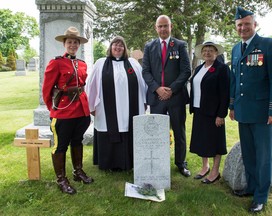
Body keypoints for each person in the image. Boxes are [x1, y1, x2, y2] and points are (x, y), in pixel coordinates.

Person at [229, 7, 272, 213]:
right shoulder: (236, 49)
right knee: (249, 154)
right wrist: (232, 106)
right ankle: (251, 187)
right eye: (239, 25)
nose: (242, 28)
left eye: (246, 24)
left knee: (263, 156)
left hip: (263, 114)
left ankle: (261, 196)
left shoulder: (269, 45)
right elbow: (235, 81)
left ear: (255, 24)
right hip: (243, 112)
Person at [42, 26, 94, 195]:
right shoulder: (56, 63)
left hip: (81, 110)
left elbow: (83, 86)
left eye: (75, 42)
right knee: (60, 146)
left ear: (79, 45)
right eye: (70, 42)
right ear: (64, 44)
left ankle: (78, 172)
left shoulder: (82, 64)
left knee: (77, 141)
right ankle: (61, 179)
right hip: (63, 112)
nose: (73, 45)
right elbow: (47, 90)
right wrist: (53, 110)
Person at [85, 36, 147, 171]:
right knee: (109, 127)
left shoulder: (133, 63)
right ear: (110, 47)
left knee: (128, 128)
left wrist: (144, 101)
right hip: (106, 109)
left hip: (131, 107)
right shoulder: (101, 63)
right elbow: (91, 85)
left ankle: (129, 162)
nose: (118, 48)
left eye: (121, 45)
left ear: (124, 49)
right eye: (115, 45)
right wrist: (92, 106)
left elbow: (143, 83)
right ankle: (110, 163)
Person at [142, 15, 191, 177]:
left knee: (179, 131)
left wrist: (171, 89)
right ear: (156, 28)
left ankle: (180, 163)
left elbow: (186, 71)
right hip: (156, 98)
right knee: (157, 133)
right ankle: (159, 161)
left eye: (165, 26)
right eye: (160, 26)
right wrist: (157, 89)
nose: (163, 29)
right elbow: (146, 71)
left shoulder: (180, 45)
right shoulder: (149, 47)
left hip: (175, 97)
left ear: (171, 26)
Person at [189, 42, 230, 184]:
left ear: (216, 52)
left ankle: (215, 171)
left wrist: (221, 114)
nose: (207, 52)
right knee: (202, 140)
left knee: (215, 142)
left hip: (214, 112)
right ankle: (205, 166)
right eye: (205, 50)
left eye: (210, 50)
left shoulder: (222, 69)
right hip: (199, 110)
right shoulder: (199, 68)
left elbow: (225, 94)